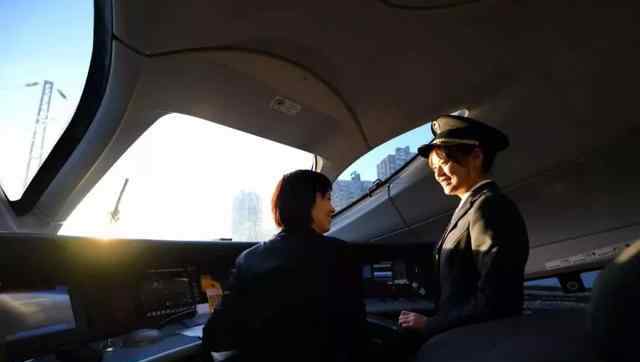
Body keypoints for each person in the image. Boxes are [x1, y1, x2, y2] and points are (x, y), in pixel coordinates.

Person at [203, 170, 366, 362]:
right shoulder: (341, 253)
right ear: (307, 201)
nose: (333, 208)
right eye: (328, 198)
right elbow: (356, 329)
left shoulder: (248, 259)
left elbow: (215, 337)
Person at [398, 115, 530, 340]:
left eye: (445, 163)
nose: (438, 175)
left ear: (476, 156)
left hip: (478, 341)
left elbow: (497, 299)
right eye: (434, 168)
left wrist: (430, 324)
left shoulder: (490, 206)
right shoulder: (472, 206)